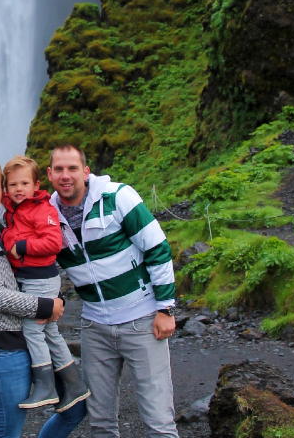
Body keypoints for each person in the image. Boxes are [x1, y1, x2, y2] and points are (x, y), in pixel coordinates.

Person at [47, 145, 179, 438]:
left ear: (85, 171)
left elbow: (158, 248)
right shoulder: (48, 216)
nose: (65, 176)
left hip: (143, 321)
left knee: (158, 422)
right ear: (49, 174)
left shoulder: (119, 197)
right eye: (58, 169)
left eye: (72, 169)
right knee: (101, 423)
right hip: (94, 328)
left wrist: (165, 308)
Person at [0, 157, 87, 438]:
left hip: (29, 338)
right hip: (4, 349)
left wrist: (54, 293)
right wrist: (47, 306)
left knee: (76, 410)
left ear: (3, 193)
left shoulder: (2, 229)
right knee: (6, 434)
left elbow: (29, 272)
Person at [1, 155, 91, 411]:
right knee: (49, 332)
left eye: (24, 184)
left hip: (40, 279)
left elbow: (54, 243)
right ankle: (74, 385)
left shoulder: (41, 209)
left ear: (37, 184)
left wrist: (21, 246)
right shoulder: (12, 212)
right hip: (32, 278)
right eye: (13, 185)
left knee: (32, 331)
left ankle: (45, 386)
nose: (19, 189)